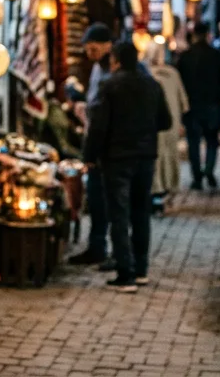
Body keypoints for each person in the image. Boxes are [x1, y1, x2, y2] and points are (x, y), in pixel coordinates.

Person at [85, 40, 173, 291]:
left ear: (116, 60)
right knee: (140, 212)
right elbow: (165, 121)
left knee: (119, 214)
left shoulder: (109, 85)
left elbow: (98, 126)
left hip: (117, 159)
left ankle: (126, 273)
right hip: (145, 157)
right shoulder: (152, 85)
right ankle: (141, 269)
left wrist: (90, 156)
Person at [69, 22, 115, 267]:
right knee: (97, 199)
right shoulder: (99, 68)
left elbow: (102, 112)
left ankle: (110, 251)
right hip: (98, 141)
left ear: (108, 46)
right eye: (88, 49)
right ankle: (98, 246)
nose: (91, 53)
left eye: (95, 48)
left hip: (107, 145)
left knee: (107, 200)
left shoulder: (114, 71)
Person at [177, 22, 220, 189]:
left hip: (191, 105)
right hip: (212, 104)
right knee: (211, 140)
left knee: (193, 142)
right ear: (207, 34)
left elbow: (181, 82)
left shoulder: (185, 56)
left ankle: (196, 177)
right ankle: (208, 170)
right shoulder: (217, 55)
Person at [143, 42, 188, 213]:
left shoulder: (145, 75)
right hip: (170, 123)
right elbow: (183, 101)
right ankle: (165, 190)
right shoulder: (172, 74)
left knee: (156, 158)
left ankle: (155, 192)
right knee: (168, 156)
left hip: (152, 124)